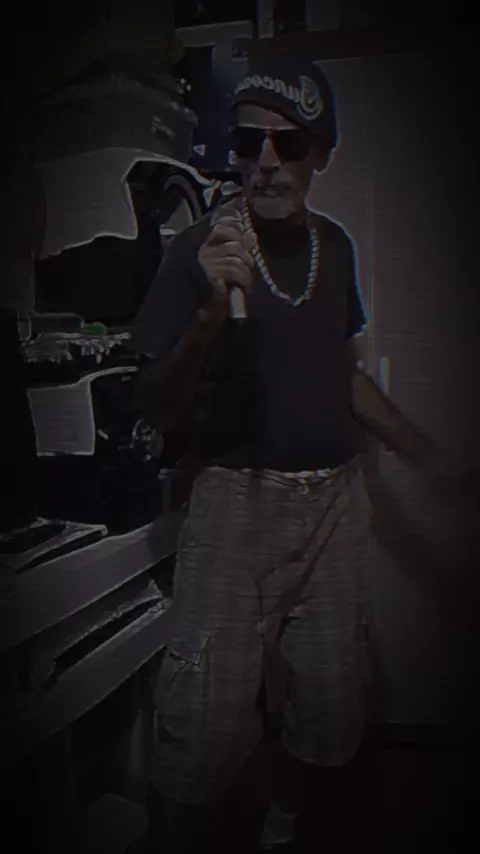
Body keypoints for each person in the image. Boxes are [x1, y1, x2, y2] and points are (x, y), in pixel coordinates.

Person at [130, 57, 472, 854]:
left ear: (321, 153)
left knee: (330, 704)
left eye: (288, 144)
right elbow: (154, 407)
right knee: (201, 719)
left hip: (334, 506)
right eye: (248, 143)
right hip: (232, 502)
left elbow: (342, 377)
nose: (266, 162)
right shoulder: (196, 250)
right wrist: (209, 311)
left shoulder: (335, 248)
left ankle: (282, 827)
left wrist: (428, 457)